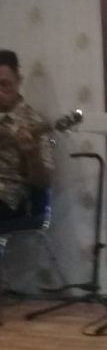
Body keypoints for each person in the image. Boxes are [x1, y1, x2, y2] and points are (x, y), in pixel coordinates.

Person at [0, 50, 53, 229]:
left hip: (12, 201)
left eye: (4, 84)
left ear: (18, 81)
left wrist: (32, 154)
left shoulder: (34, 122)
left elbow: (43, 183)